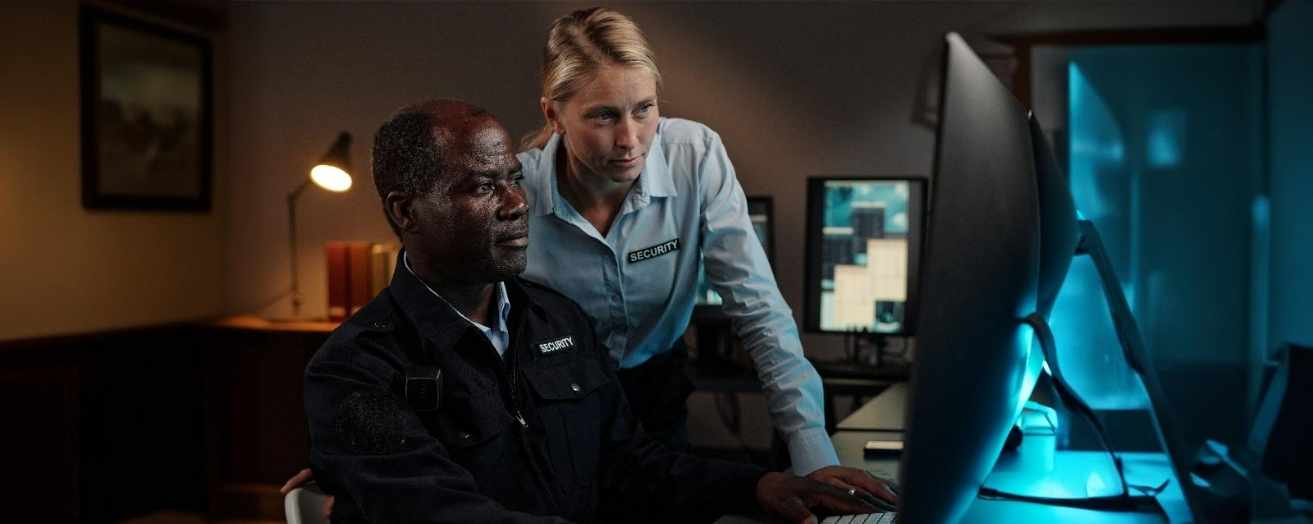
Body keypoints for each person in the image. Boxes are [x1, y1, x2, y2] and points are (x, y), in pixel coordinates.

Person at [300, 99, 896, 523]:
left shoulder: (557, 322)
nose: (516, 203)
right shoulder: (354, 370)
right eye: (482, 188)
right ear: (406, 212)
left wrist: (762, 485)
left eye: (513, 178)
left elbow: (630, 464)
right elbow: (439, 511)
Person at [517, 7, 839, 476]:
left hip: (657, 391)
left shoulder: (695, 155)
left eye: (644, 109)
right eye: (604, 116)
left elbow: (759, 308)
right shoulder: (515, 191)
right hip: (552, 404)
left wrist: (812, 450)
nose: (630, 139)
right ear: (554, 114)